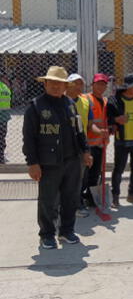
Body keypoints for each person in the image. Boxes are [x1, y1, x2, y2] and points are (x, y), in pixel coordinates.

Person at [22, 66, 92, 249]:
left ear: (65, 86)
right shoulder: (35, 107)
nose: (56, 86)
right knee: (48, 200)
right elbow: (29, 138)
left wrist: (85, 151)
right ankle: (47, 234)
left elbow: (79, 130)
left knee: (70, 197)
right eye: (52, 82)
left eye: (60, 83)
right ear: (45, 83)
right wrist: (33, 163)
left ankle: (66, 231)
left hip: (72, 160)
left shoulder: (70, 104)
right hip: (48, 163)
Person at [107, 73, 133, 207]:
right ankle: (115, 196)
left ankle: (132, 194)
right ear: (128, 87)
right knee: (118, 169)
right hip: (122, 141)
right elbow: (108, 118)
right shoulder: (116, 100)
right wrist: (116, 120)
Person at [66, 74, 96, 218]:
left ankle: (77, 203)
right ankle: (69, 205)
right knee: (67, 178)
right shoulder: (61, 101)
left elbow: (90, 125)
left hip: (82, 145)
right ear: (68, 84)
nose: (79, 87)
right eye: (75, 83)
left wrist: (101, 132)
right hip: (65, 147)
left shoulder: (85, 102)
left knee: (82, 177)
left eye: (81, 84)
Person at [82, 73, 110, 209]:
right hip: (88, 144)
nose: (101, 86)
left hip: (100, 144)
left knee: (95, 174)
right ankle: (80, 198)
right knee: (84, 175)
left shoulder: (105, 101)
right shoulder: (86, 99)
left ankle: (90, 198)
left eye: (103, 84)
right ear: (92, 85)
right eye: (98, 83)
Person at [0, 71, 11, 164]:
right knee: (2, 137)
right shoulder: (5, 88)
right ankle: (1, 156)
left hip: (2, 115)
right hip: (4, 117)